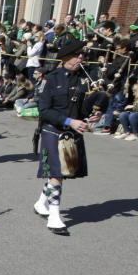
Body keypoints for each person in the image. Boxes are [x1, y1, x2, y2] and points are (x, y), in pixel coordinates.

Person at [33, 41, 107, 235]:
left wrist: (95, 114)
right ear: (65, 58)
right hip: (52, 130)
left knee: (60, 173)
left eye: (82, 54)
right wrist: (69, 121)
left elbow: (86, 106)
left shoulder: (86, 79)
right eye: (76, 55)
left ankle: (41, 202)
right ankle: (54, 216)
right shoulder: (50, 79)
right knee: (57, 173)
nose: (80, 58)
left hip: (72, 132)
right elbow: (44, 110)